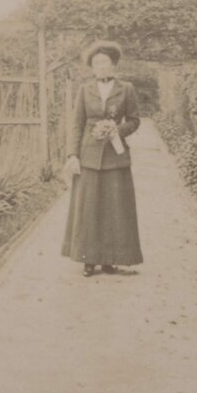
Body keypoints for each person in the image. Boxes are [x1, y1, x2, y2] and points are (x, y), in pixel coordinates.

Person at [61, 40, 144, 277]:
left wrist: (118, 130)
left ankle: (111, 260)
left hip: (116, 156)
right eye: (96, 63)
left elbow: (135, 120)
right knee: (88, 208)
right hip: (88, 155)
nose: (100, 67)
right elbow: (76, 124)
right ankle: (88, 259)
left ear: (113, 65)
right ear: (92, 67)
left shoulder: (126, 89)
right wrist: (72, 154)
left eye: (104, 62)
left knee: (115, 207)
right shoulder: (84, 90)